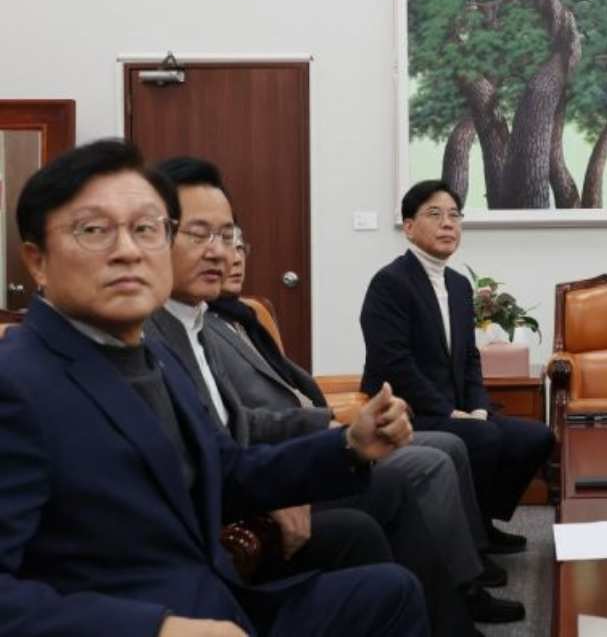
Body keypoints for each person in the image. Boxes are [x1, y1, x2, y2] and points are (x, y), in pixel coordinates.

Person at [0, 139, 427, 637]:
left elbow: (227, 473)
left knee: (391, 592)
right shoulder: (17, 384)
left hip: (221, 600)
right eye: (94, 230)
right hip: (152, 620)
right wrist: (157, 630)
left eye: (146, 228)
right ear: (37, 261)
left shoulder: (153, 353)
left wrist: (350, 447)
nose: (128, 251)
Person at [143, 158, 520, 636]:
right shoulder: (153, 335)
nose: (223, 253)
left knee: (441, 461)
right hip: (224, 527)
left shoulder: (199, 322)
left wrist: (339, 433)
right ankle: (456, 602)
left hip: (269, 467)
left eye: (230, 237)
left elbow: (236, 424)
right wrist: (292, 473)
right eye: (200, 235)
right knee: (426, 469)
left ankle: (454, 606)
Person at [360, 180, 554, 548]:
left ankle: (480, 523)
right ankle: (470, 545)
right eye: (434, 214)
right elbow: (394, 365)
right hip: (409, 411)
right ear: (409, 227)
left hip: (459, 410)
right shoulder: (390, 283)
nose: (448, 223)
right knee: (483, 438)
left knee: (536, 437)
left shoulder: (458, 285)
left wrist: (478, 406)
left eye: (454, 215)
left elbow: (469, 359)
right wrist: (450, 411)